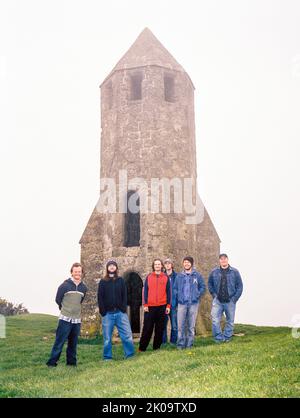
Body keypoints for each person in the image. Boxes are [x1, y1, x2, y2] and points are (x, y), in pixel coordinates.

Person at [46, 262, 87, 367]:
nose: (77, 273)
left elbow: (80, 301)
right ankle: (52, 363)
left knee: (73, 343)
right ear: (72, 272)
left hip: (76, 320)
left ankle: (71, 363)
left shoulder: (83, 287)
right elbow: (58, 299)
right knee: (59, 342)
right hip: (65, 319)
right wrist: (65, 308)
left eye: (79, 271)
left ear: (82, 273)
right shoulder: (64, 285)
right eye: (75, 271)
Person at [97, 260, 135, 360]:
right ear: (107, 268)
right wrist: (103, 312)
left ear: (116, 268)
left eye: (114, 265)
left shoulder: (121, 280)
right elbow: (100, 297)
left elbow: (124, 295)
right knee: (107, 338)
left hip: (120, 313)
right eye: (110, 266)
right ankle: (107, 357)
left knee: (127, 335)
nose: (112, 267)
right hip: (107, 314)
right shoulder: (103, 282)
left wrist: (123, 308)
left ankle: (130, 355)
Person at [208, 253, 243, 343]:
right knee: (215, 320)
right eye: (221, 259)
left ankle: (227, 338)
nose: (223, 260)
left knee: (230, 321)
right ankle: (219, 339)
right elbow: (210, 284)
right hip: (218, 301)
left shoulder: (235, 272)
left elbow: (240, 286)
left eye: (225, 259)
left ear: (227, 260)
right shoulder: (214, 271)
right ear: (219, 261)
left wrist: (234, 299)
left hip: (230, 301)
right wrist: (214, 295)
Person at [173, 256, 206, 349]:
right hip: (182, 304)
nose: (186, 264)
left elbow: (203, 287)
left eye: (188, 262)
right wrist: (178, 297)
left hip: (193, 304)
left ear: (191, 263)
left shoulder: (197, 275)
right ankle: (180, 345)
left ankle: (189, 345)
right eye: (185, 262)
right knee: (180, 326)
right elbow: (175, 289)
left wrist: (197, 295)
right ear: (183, 264)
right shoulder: (179, 276)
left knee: (191, 326)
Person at [139, 259, 171, 351]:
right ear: (153, 266)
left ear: (161, 266)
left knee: (159, 328)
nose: (157, 266)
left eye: (159, 264)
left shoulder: (165, 277)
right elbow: (145, 292)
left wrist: (168, 306)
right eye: (156, 264)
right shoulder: (149, 277)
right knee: (147, 328)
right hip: (150, 307)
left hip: (162, 306)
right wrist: (145, 304)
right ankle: (142, 348)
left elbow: (169, 292)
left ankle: (156, 347)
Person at [162, 258, 178, 344]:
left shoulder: (177, 276)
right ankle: (163, 342)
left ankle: (173, 342)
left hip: (174, 304)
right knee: (163, 325)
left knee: (174, 325)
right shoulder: (162, 276)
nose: (167, 265)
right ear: (164, 266)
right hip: (164, 304)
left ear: (172, 265)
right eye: (166, 264)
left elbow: (180, 289)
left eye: (169, 263)